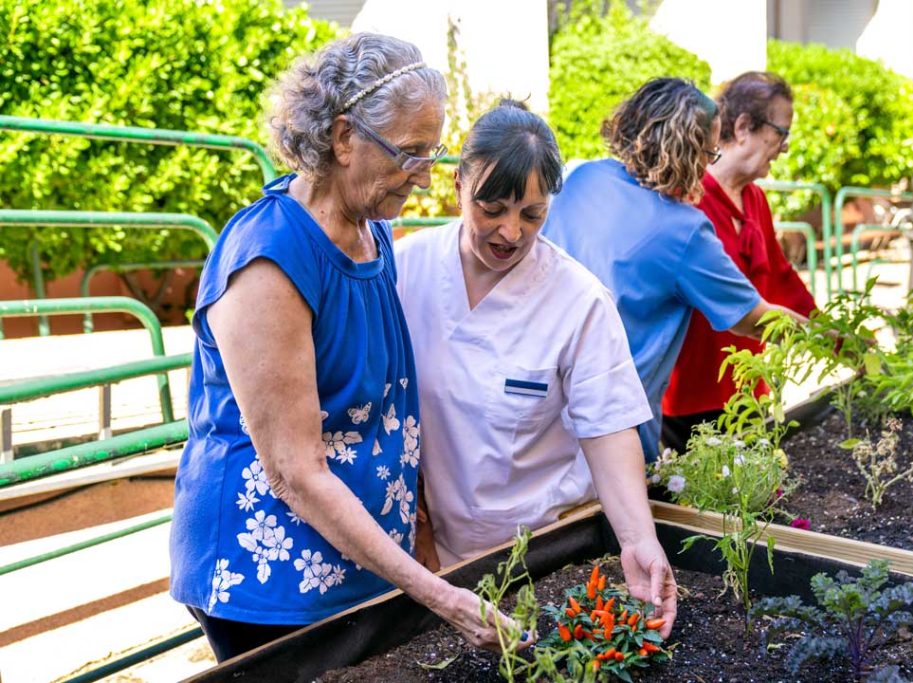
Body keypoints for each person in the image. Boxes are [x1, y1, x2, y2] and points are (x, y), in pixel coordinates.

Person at [169, 34, 525, 662]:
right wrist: (438, 595)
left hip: (357, 554)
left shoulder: (372, 231)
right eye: (409, 152)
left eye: (433, 151)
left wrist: (416, 532)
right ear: (342, 138)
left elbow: (389, 407)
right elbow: (295, 473)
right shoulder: (270, 261)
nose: (424, 173)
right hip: (271, 571)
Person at [395, 100, 676, 636]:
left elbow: (609, 428)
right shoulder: (407, 269)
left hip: (546, 549)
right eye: (491, 208)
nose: (510, 232)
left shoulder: (578, 300)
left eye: (532, 214)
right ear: (458, 184)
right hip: (440, 559)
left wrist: (639, 540)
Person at [542, 78, 808, 463]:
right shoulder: (683, 230)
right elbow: (753, 318)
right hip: (614, 426)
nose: (707, 165)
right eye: (708, 154)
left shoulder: (583, 177)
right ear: (687, 152)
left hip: (546, 403)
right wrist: (829, 338)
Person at [660, 72, 817, 450]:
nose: (784, 148)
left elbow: (781, 279)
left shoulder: (756, 200)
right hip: (688, 394)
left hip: (747, 389)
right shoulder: (688, 195)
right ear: (744, 126)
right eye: (781, 133)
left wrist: (838, 338)